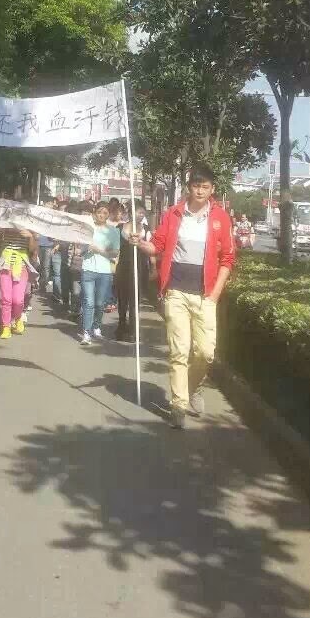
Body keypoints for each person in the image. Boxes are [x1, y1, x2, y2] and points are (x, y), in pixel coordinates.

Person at [133, 162, 235, 428]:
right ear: (189, 187)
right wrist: (140, 243)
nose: (200, 191)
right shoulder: (174, 213)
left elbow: (228, 258)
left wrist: (215, 294)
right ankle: (178, 405)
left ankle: (193, 386)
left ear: (212, 189)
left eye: (205, 187)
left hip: (205, 295)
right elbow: (157, 246)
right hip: (176, 292)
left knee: (206, 352)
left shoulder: (220, 218)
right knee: (179, 351)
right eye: (195, 186)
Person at [79, 201, 121, 347]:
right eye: (99, 212)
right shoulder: (88, 229)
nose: (102, 215)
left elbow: (115, 253)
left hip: (104, 271)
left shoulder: (113, 231)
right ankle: (86, 332)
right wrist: (86, 248)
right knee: (88, 302)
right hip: (88, 269)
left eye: (105, 213)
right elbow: (80, 250)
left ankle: (96, 326)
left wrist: (99, 250)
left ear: (108, 214)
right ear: (94, 213)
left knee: (99, 303)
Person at [116, 203, 151, 341]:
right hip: (123, 268)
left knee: (135, 300)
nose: (141, 215)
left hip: (140, 268)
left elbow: (151, 250)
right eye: (138, 212)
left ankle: (133, 329)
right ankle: (121, 326)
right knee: (122, 299)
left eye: (143, 213)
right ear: (131, 213)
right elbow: (114, 248)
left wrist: (153, 268)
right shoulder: (120, 228)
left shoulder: (146, 230)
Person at [0, 227, 38, 338]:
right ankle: (6, 326)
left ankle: (18, 317)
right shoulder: (5, 226)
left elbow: (33, 251)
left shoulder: (29, 228)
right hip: (5, 265)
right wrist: (1, 231)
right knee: (6, 299)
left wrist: (30, 236)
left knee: (18, 300)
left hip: (21, 267)